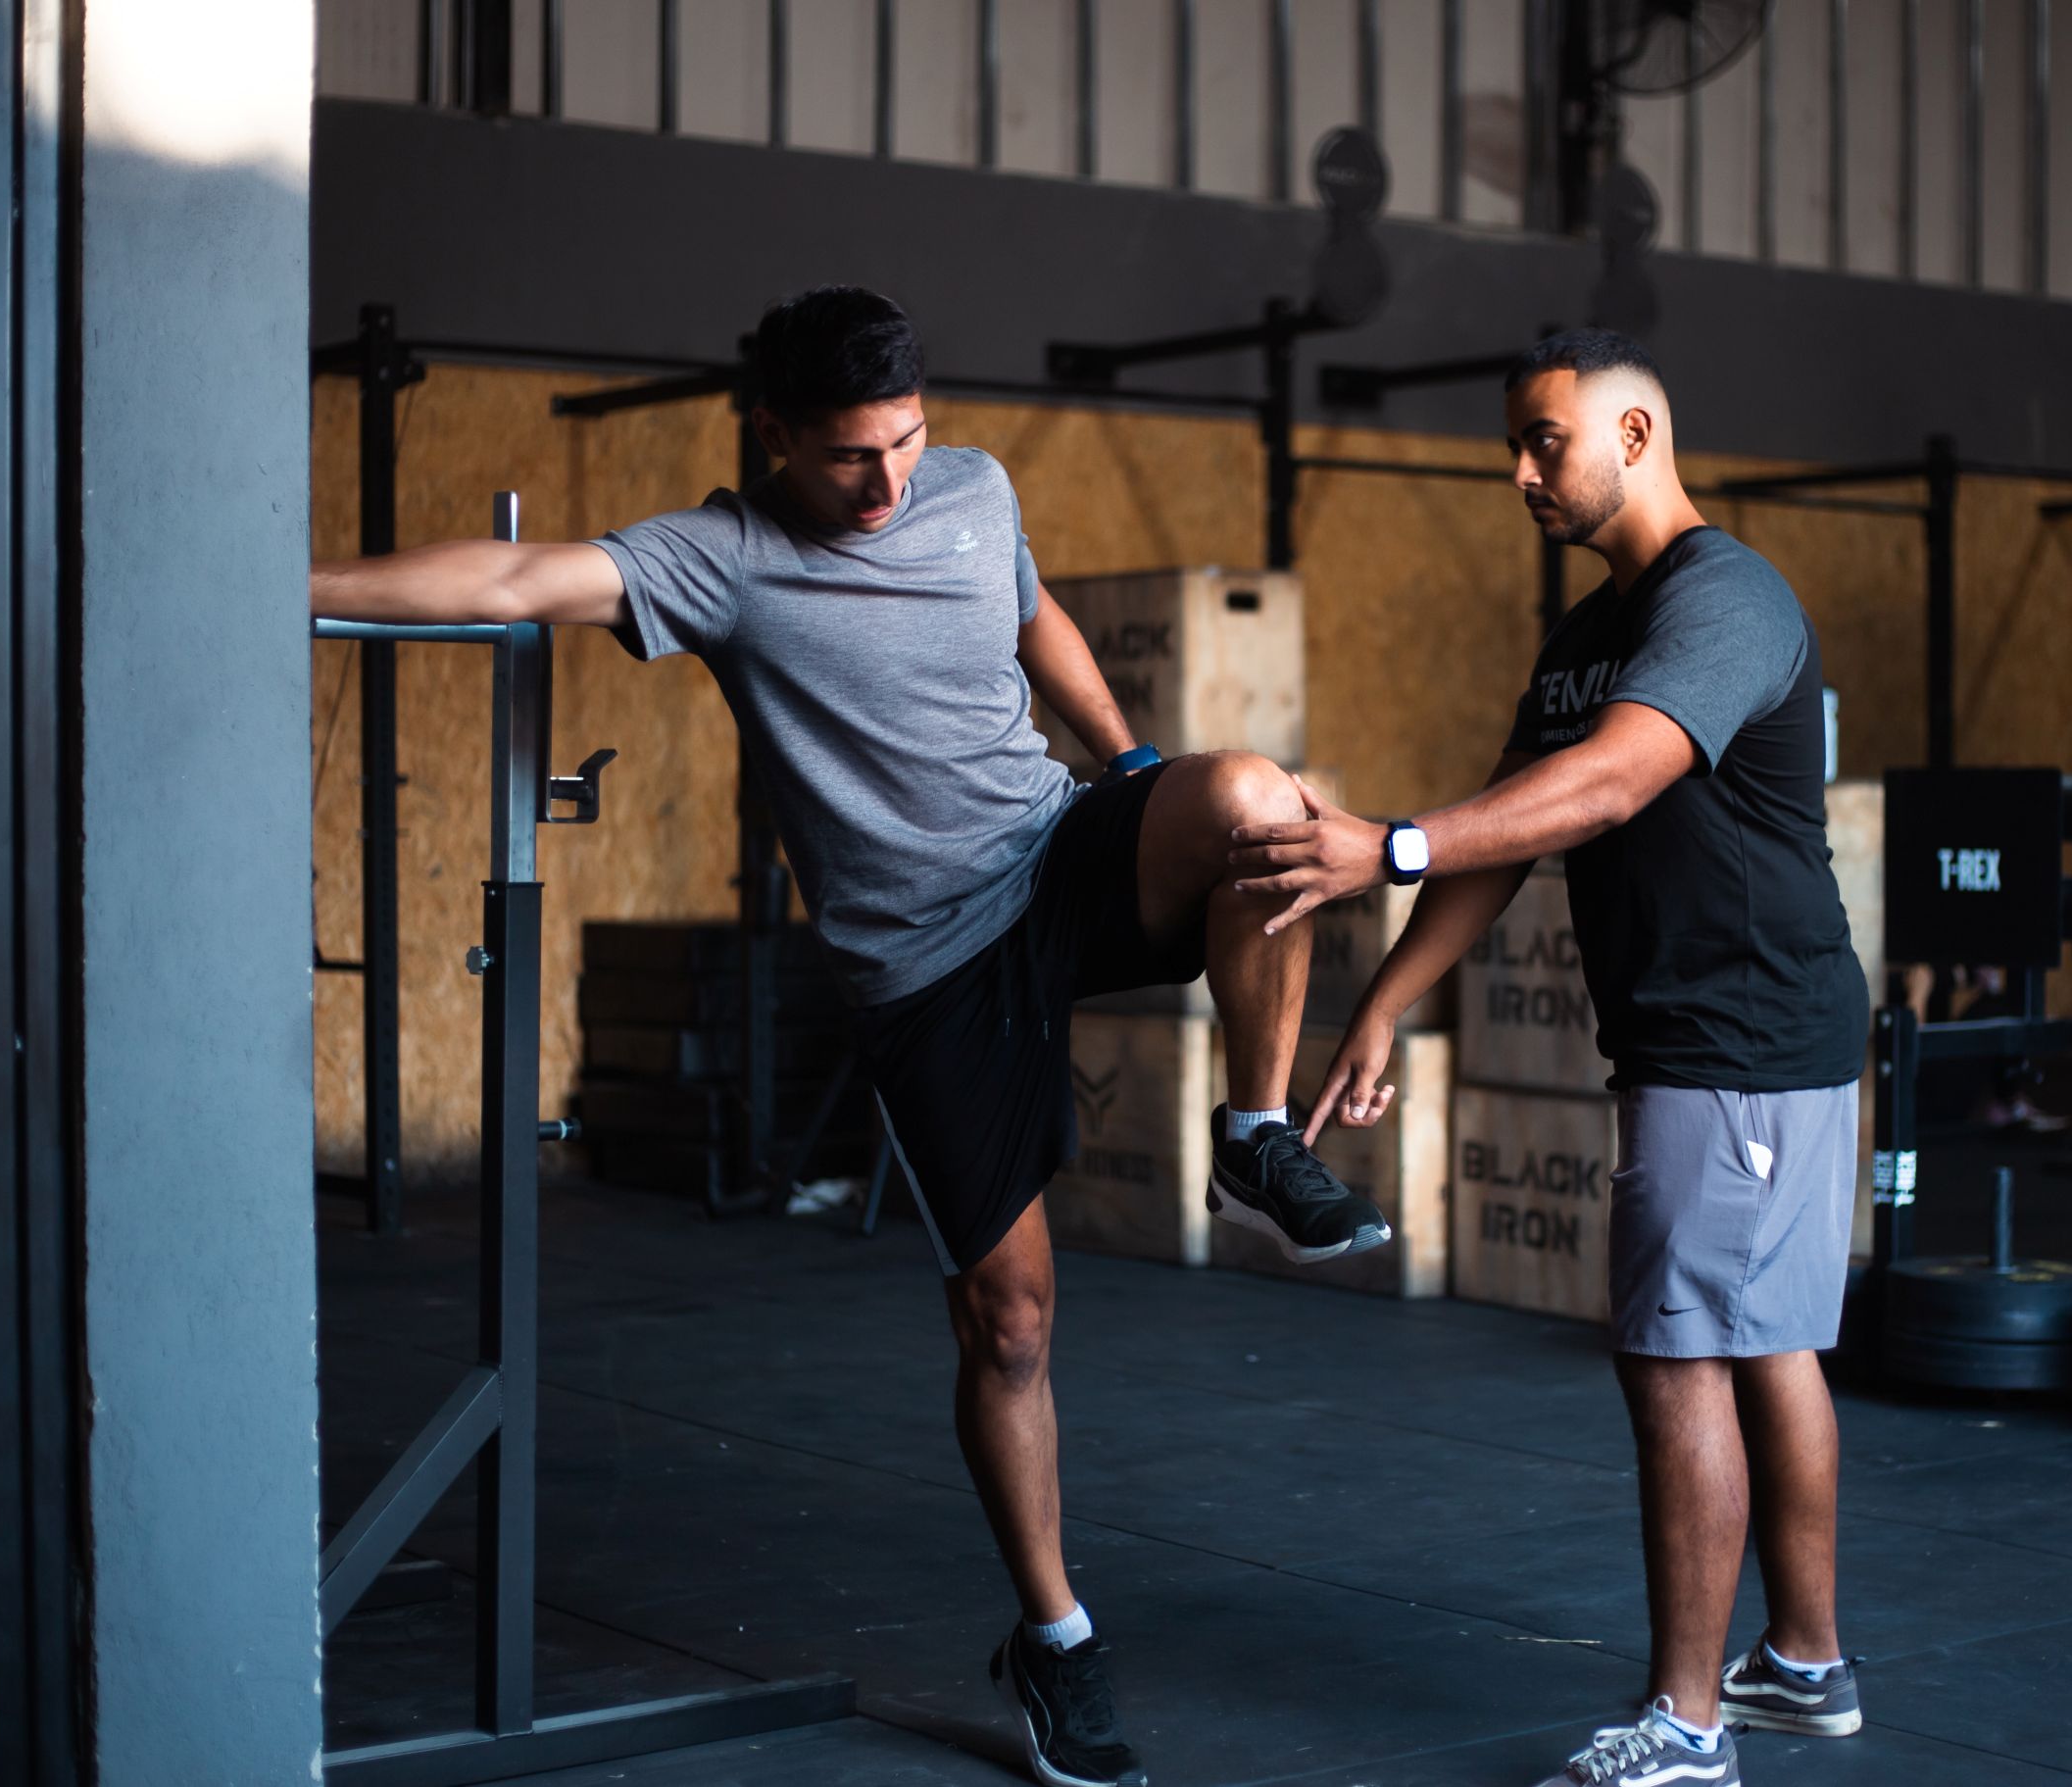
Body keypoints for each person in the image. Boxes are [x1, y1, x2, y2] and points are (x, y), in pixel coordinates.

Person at [310, 286, 1393, 1787]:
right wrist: (287, 581)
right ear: (774, 437)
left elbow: (1029, 612)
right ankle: (1056, 1640)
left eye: (906, 442)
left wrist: (1128, 763)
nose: (886, 486)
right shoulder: (724, 558)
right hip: (926, 971)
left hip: (1053, 859)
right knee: (1008, 1321)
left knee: (1259, 808)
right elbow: (514, 575)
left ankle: (1254, 1135)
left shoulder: (972, 489)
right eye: (847, 460)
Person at [1229, 329, 1868, 1786]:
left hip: (1741, 1032)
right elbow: (1513, 818)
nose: (1521, 474)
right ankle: (1806, 1666)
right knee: (1758, 1340)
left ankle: (1689, 1726)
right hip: (1708, 1032)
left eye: (1544, 443)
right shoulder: (1587, 635)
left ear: (1635, 439)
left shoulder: (1726, 600)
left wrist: (1383, 845)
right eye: (1514, 448)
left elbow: (1614, 780)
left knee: (1676, 1356)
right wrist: (1391, 997)